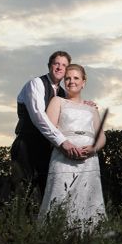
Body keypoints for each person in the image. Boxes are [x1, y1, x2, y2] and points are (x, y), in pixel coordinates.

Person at [37, 64, 107, 230]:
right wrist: (65, 148)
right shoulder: (57, 101)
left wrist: (93, 148)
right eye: (67, 78)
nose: (71, 81)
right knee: (60, 197)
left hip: (89, 160)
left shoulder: (91, 107)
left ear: (83, 82)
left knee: (88, 199)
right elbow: (50, 130)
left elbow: (101, 136)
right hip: (63, 159)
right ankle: (55, 238)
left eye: (76, 78)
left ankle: (89, 238)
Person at [10, 51, 85, 195]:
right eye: (56, 63)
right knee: (21, 192)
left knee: (47, 192)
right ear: (49, 65)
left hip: (48, 149)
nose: (59, 68)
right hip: (27, 144)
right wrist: (62, 141)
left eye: (64, 65)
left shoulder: (63, 93)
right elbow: (39, 116)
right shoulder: (35, 84)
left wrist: (84, 105)